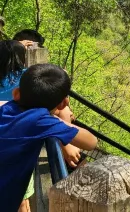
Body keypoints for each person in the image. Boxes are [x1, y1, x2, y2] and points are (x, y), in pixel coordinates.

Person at [0, 63, 98, 212]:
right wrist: (61, 118)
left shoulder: (6, 109)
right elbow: (91, 142)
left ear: (16, 93)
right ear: (63, 103)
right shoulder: (42, 121)